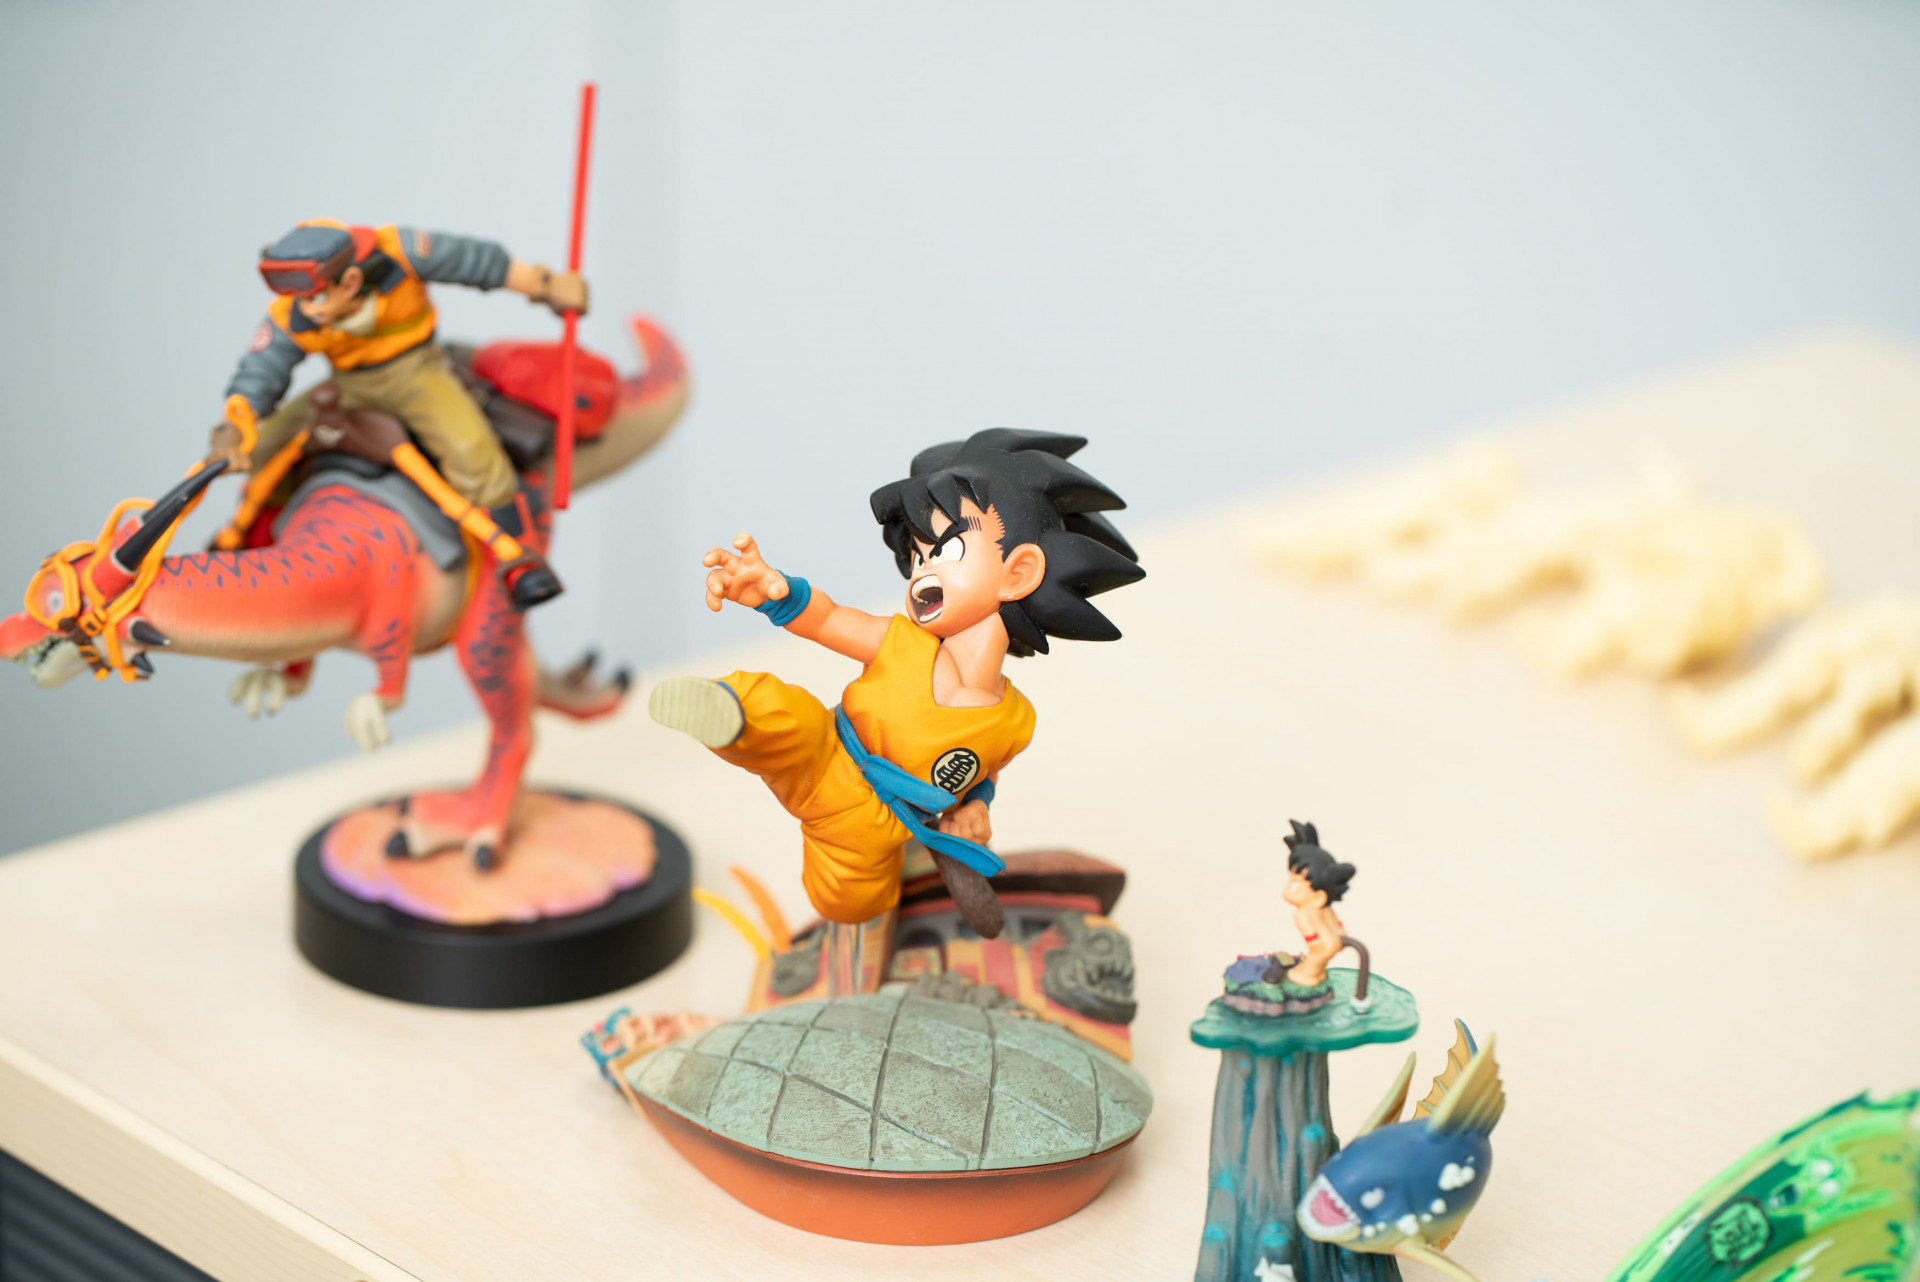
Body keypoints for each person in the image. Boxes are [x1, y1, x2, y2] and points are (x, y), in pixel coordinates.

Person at [647, 429, 1144, 991]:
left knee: (856, 898)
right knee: (786, 714)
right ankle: (727, 710)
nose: (923, 573)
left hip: (877, 828)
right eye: (917, 557)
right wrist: (774, 592)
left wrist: (976, 808)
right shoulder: (901, 642)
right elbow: (830, 620)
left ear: (1020, 573)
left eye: (946, 551)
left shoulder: (1014, 720)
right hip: (830, 758)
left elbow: (981, 775)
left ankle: (855, 969)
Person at [207, 220, 588, 610]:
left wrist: (545, 284)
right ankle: (258, 547)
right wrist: (235, 426)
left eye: (316, 298)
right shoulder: (292, 311)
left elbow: (476, 261)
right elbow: (261, 369)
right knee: (265, 446)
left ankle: (519, 556)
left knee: (470, 449)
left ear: (350, 282)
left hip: (417, 373)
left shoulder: (403, 252)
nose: (306, 309)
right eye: (298, 299)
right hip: (349, 385)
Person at [1274, 820, 1356, 988]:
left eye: (1295, 884)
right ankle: (1314, 973)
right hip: (1326, 945)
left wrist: (1324, 943)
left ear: (1319, 897)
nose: (1289, 888)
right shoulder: (1315, 911)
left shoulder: (1305, 913)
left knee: (1317, 959)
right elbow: (1327, 932)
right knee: (1321, 956)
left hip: (1321, 948)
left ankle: (1307, 974)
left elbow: (1318, 936)